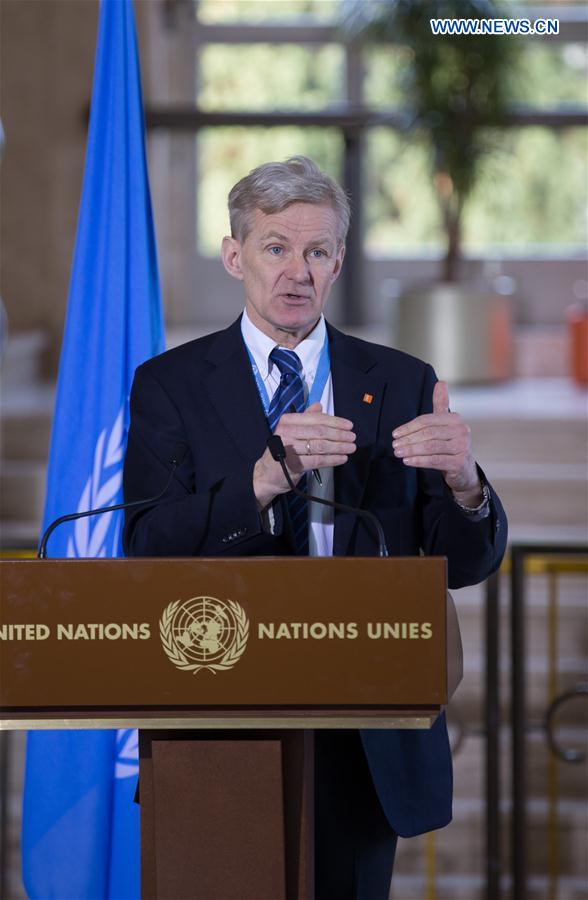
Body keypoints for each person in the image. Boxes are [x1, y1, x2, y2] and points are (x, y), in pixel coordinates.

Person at [123, 155, 507, 900]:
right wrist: (266, 479)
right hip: (220, 717)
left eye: (317, 251)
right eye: (275, 248)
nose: (296, 271)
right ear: (235, 256)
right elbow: (146, 546)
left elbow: (460, 564)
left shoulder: (398, 379)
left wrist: (465, 484)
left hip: (361, 730)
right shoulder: (169, 385)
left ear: (337, 262)